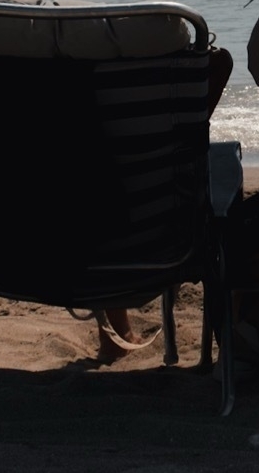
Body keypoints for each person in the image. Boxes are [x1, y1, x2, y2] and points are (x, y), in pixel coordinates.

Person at [97, 45, 234, 359]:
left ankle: (115, 333)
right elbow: (222, 61)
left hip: (55, 243)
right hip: (170, 237)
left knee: (96, 174)